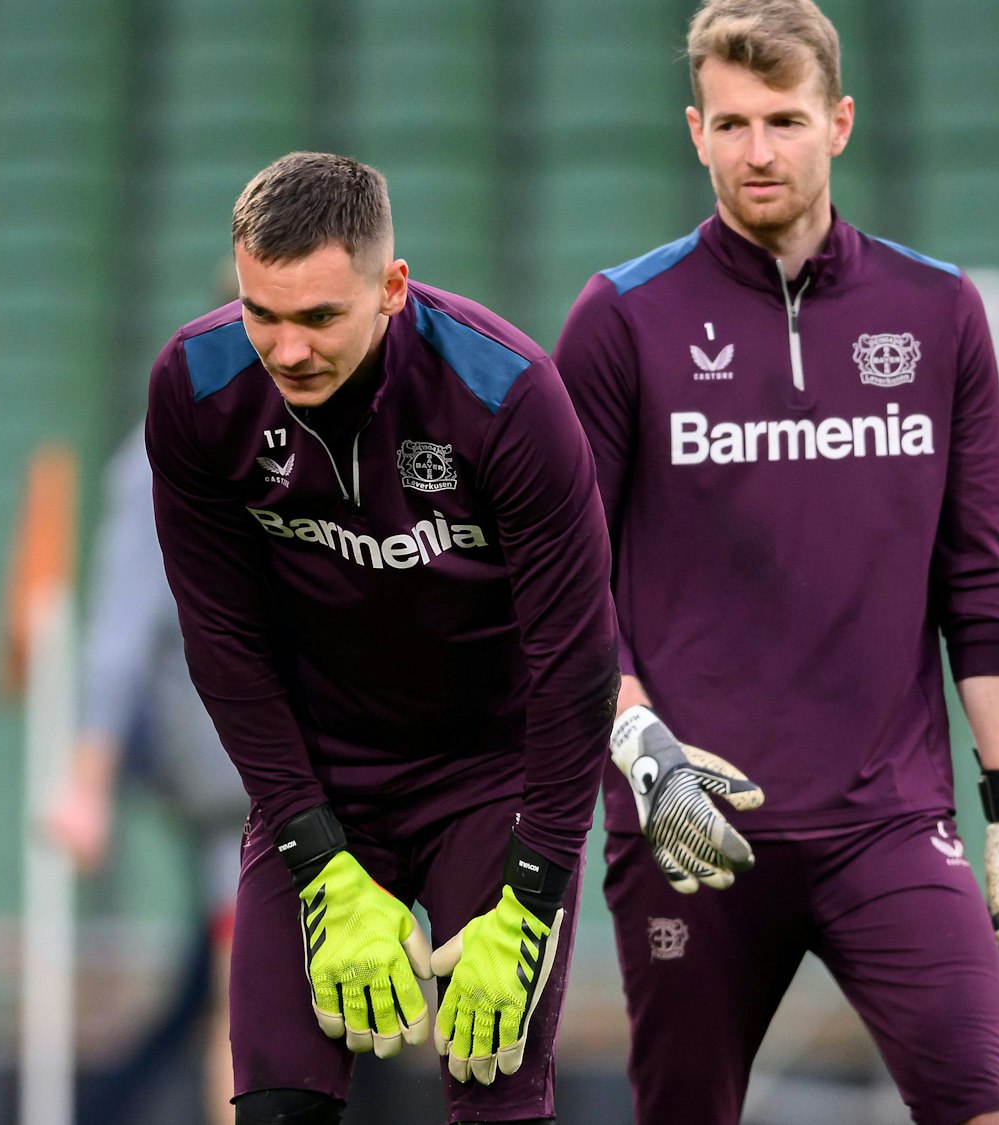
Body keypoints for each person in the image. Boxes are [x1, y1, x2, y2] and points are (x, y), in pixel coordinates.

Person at [552, 4, 999, 1123]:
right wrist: (641, 751)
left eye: (784, 119)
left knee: (981, 1108)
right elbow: (561, 587)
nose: (758, 151)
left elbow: (977, 578)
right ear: (693, 132)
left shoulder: (936, 313)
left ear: (840, 122)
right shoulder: (622, 319)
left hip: (888, 819)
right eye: (730, 123)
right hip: (693, 826)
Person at [146, 151, 617, 1125]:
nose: (285, 350)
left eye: (318, 317)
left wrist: (530, 897)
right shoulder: (194, 389)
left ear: (391, 288)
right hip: (319, 775)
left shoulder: (509, 398)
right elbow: (223, 643)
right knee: (273, 1106)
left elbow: (575, 668)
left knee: (496, 1100)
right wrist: (318, 857)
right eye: (260, 313)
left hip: (489, 777)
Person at [44, 422, 250, 1124]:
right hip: (248, 785)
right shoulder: (167, 451)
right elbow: (119, 631)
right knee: (253, 1004)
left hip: (345, 773)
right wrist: (87, 783)